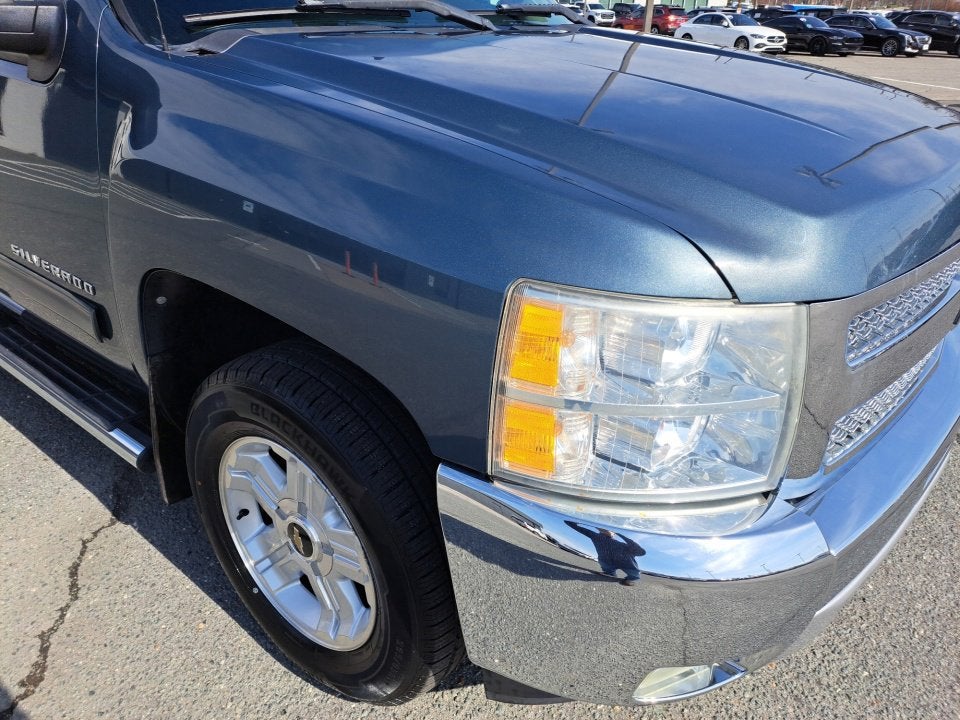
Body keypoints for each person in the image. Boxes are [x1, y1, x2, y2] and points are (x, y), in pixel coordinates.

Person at [565, 521, 646, 586]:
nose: (607, 530)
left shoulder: (624, 545)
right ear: (600, 530)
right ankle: (609, 573)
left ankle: (633, 578)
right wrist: (574, 522)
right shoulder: (596, 536)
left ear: (614, 534)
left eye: (610, 530)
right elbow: (581, 530)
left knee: (632, 571)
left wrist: (619, 533)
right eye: (603, 529)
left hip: (626, 563)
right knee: (606, 566)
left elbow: (641, 552)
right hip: (606, 561)